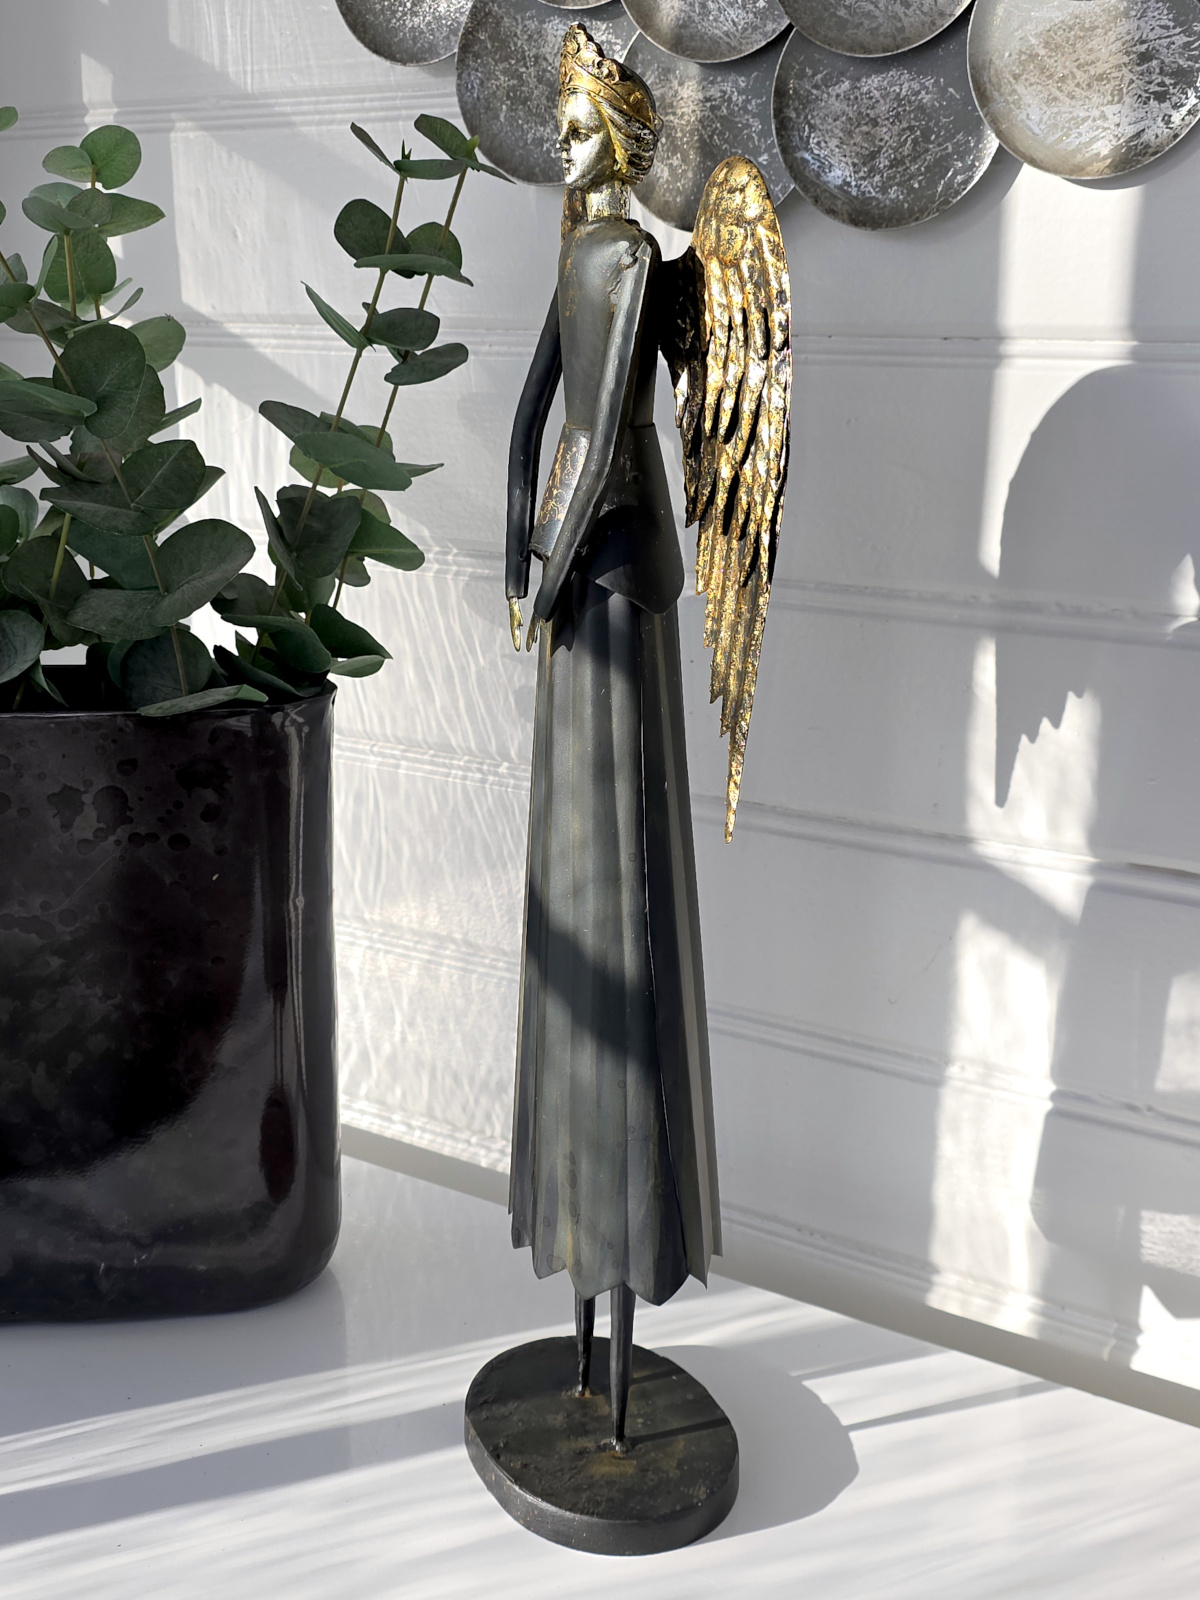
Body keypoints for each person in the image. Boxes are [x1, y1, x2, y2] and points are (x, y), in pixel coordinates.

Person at [504, 23, 720, 1452]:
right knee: (576, 885)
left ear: (629, 142)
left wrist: (544, 574)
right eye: (564, 123)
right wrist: (506, 541)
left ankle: (625, 1274)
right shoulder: (578, 252)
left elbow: (606, 451)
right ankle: (584, 1302)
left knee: (620, 890)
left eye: (585, 127)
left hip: (612, 571)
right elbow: (538, 408)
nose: (567, 143)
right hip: (570, 569)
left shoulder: (632, 260)